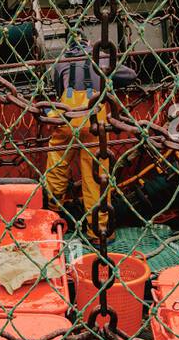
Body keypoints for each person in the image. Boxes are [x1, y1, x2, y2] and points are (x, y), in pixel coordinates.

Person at [43, 37, 137, 225]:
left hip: (66, 118)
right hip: (94, 121)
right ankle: (98, 230)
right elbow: (130, 75)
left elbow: (58, 88)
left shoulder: (60, 62)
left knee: (56, 169)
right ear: (89, 45)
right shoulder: (101, 59)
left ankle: (50, 218)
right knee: (96, 177)